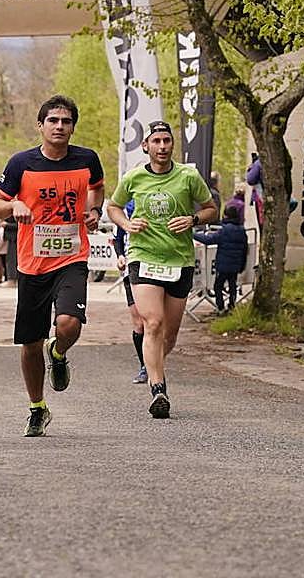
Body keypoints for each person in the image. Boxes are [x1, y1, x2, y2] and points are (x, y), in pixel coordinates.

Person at [0, 95, 104, 437]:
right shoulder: (21, 163)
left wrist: (94, 210)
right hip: (32, 264)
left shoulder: (87, 159)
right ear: (40, 126)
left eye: (66, 121)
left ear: (73, 127)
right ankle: (37, 407)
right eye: (53, 121)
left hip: (72, 257)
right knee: (30, 344)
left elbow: (97, 188)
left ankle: (58, 351)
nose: (59, 126)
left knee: (69, 324)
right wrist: (14, 206)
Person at [107, 121, 217, 419]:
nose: (162, 146)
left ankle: (153, 362)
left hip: (179, 260)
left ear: (172, 144)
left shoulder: (188, 176)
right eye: (156, 141)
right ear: (146, 146)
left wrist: (193, 220)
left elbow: (211, 208)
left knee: (169, 335)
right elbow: (113, 207)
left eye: (167, 140)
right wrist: (127, 224)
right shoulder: (134, 177)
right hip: (143, 256)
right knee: (152, 323)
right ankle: (158, 389)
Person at [112, 199, 146, 384]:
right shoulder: (123, 211)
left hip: (152, 268)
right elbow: (117, 239)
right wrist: (120, 256)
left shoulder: (152, 208)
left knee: (154, 322)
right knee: (138, 323)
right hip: (130, 270)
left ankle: (155, 361)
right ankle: (144, 366)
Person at [193, 204, 249, 313]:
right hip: (236, 265)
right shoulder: (242, 230)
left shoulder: (225, 230)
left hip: (223, 265)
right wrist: (243, 265)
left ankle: (220, 307)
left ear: (226, 216)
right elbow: (245, 249)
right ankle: (232, 306)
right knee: (232, 285)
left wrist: (193, 235)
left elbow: (209, 240)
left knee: (218, 286)